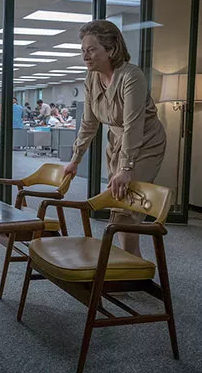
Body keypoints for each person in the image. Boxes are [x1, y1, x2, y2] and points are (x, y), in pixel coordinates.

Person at [64, 20, 166, 258]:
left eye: (91, 50)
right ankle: (132, 261)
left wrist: (126, 167)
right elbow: (89, 123)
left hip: (146, 142)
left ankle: (131, 264)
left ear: (111, 49)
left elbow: (133, 125)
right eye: (83, 50)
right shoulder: (91, 78)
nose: (85, 56)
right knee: (118, 202)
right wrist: (75, 159)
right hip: (117, 142)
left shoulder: (132, 76)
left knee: (125, 208)